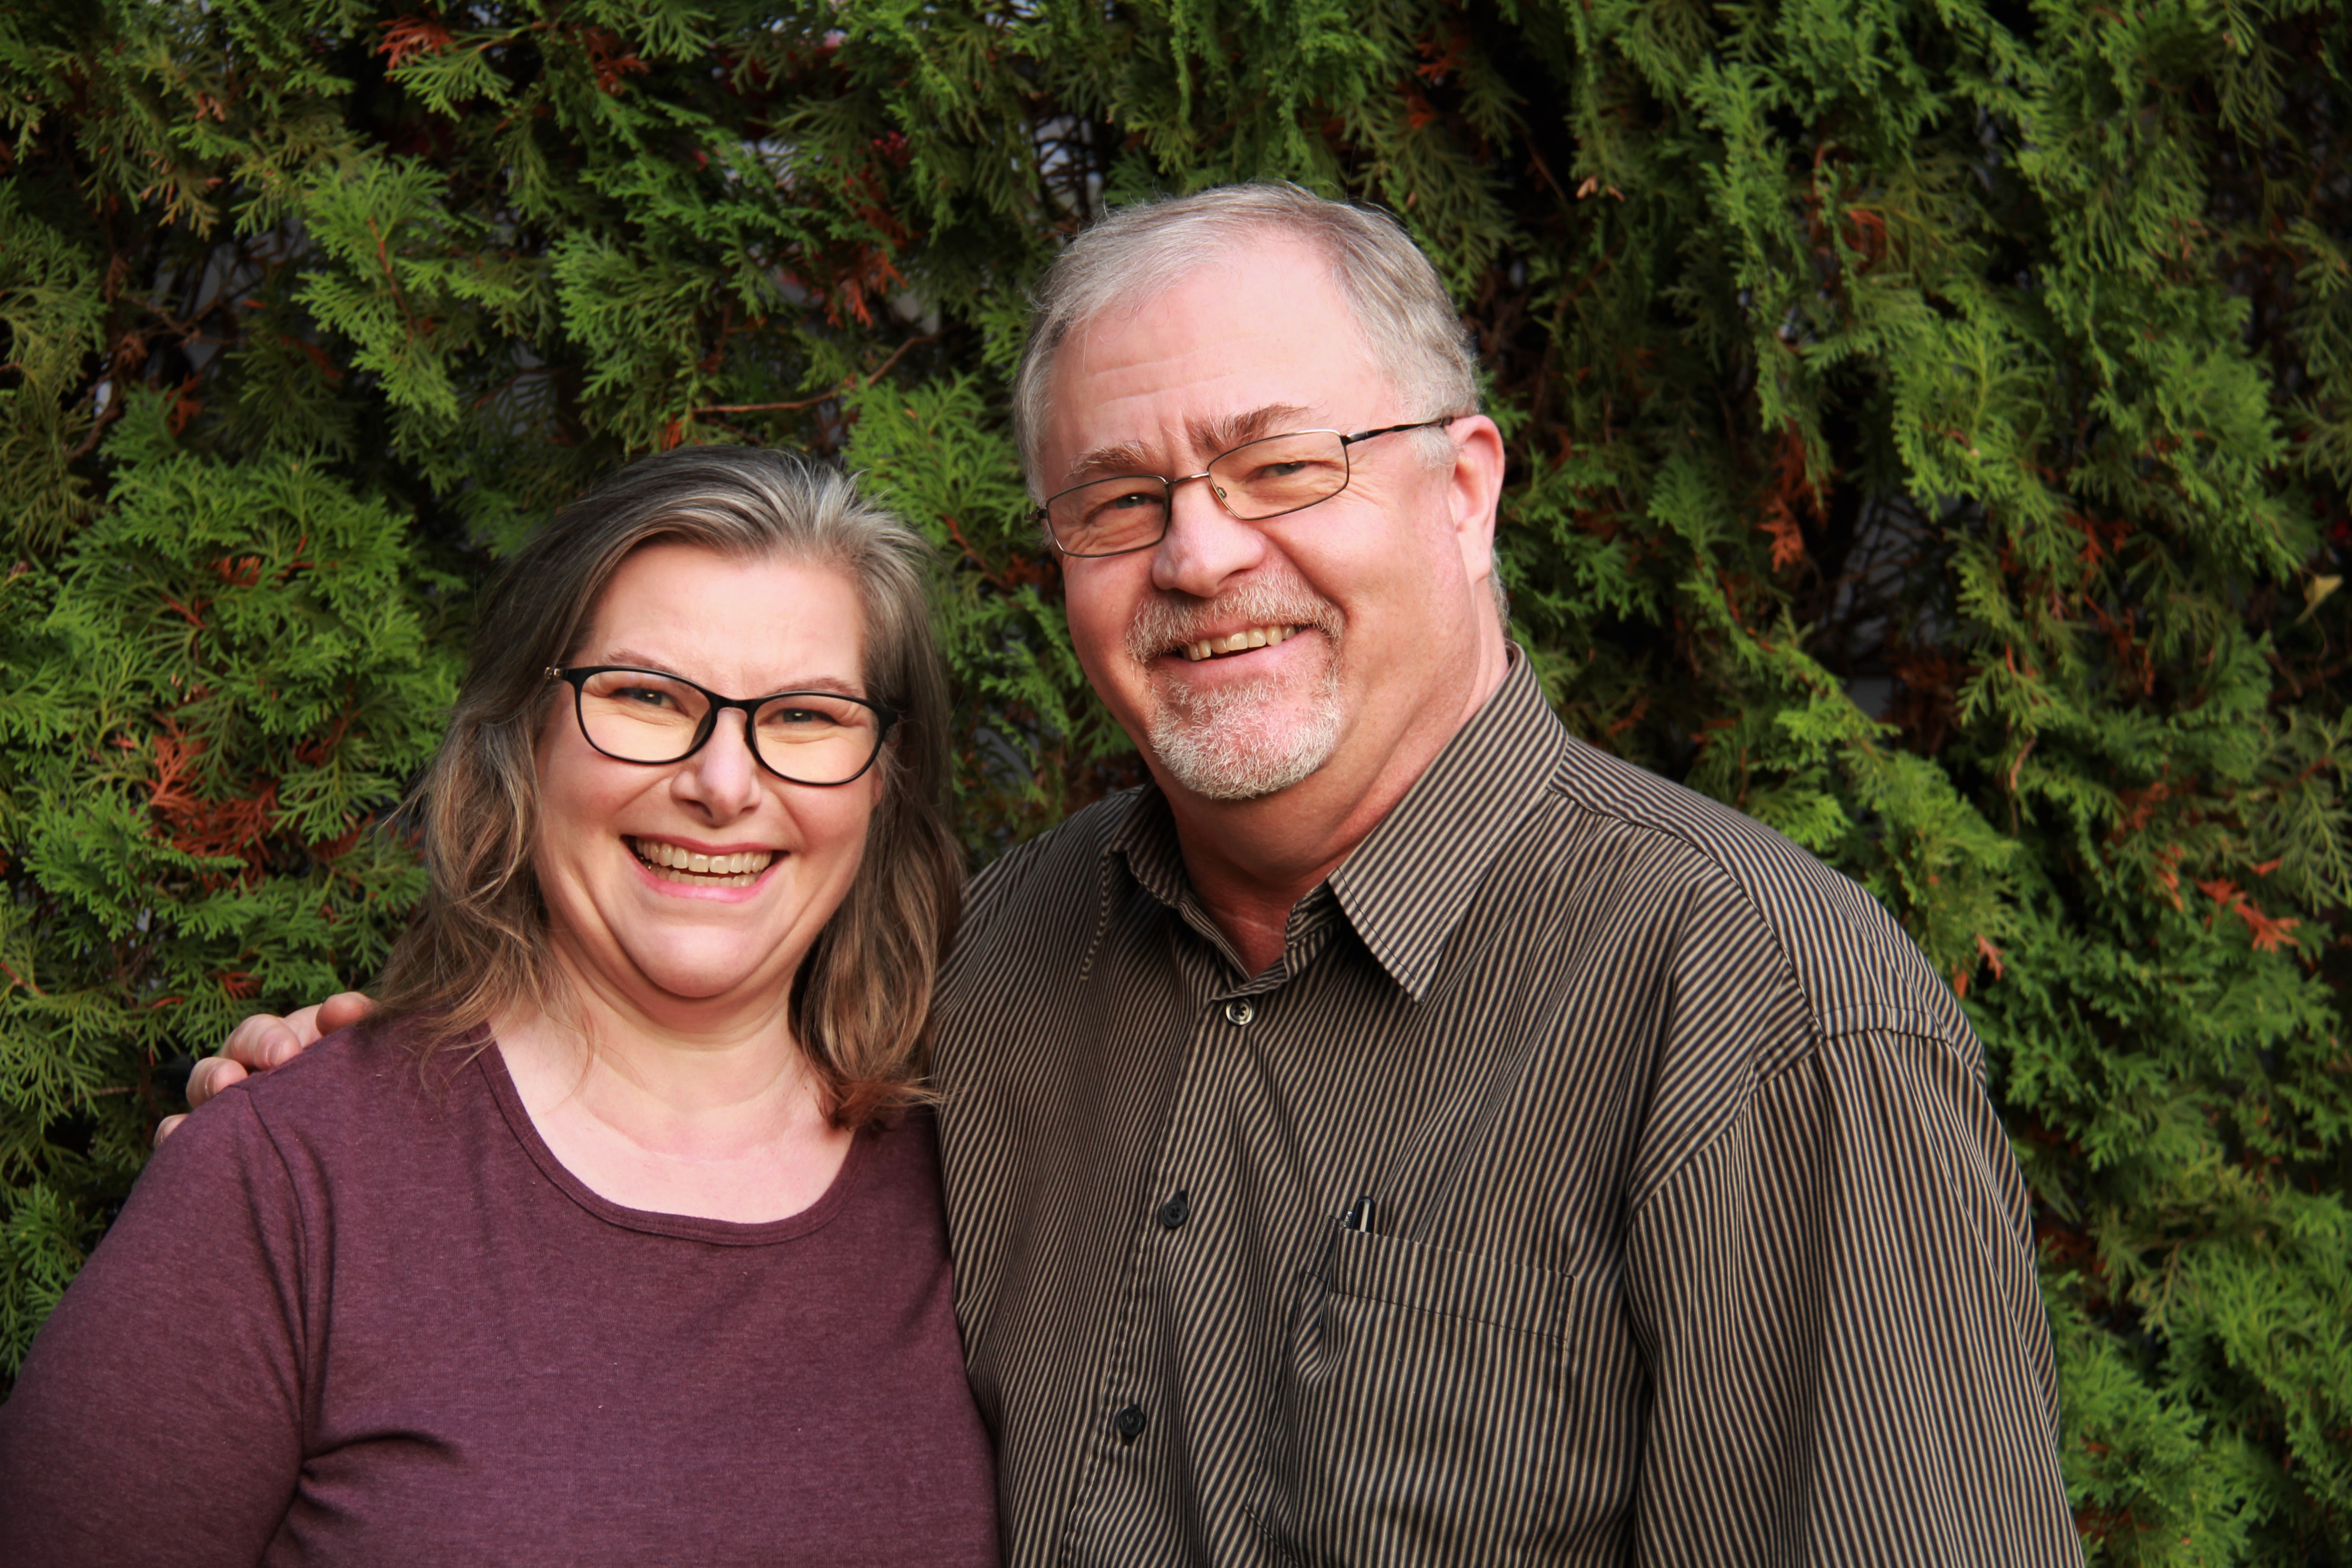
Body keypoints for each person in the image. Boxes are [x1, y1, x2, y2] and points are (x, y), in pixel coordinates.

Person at [169, 185, 2081, 1565]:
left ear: (1465, 488)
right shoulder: (984, 968)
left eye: (1281, 467)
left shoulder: (1759, 1015)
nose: (1201, 555)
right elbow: (665, 1128)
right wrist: (357, 1124)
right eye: (1119, 500)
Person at [0, 450, 999, 1565]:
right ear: (525, 733)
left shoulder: (994, 1191)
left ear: (885, 775)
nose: (723, 786)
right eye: (645, 697)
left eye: (807, 715)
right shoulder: (289, 1183)